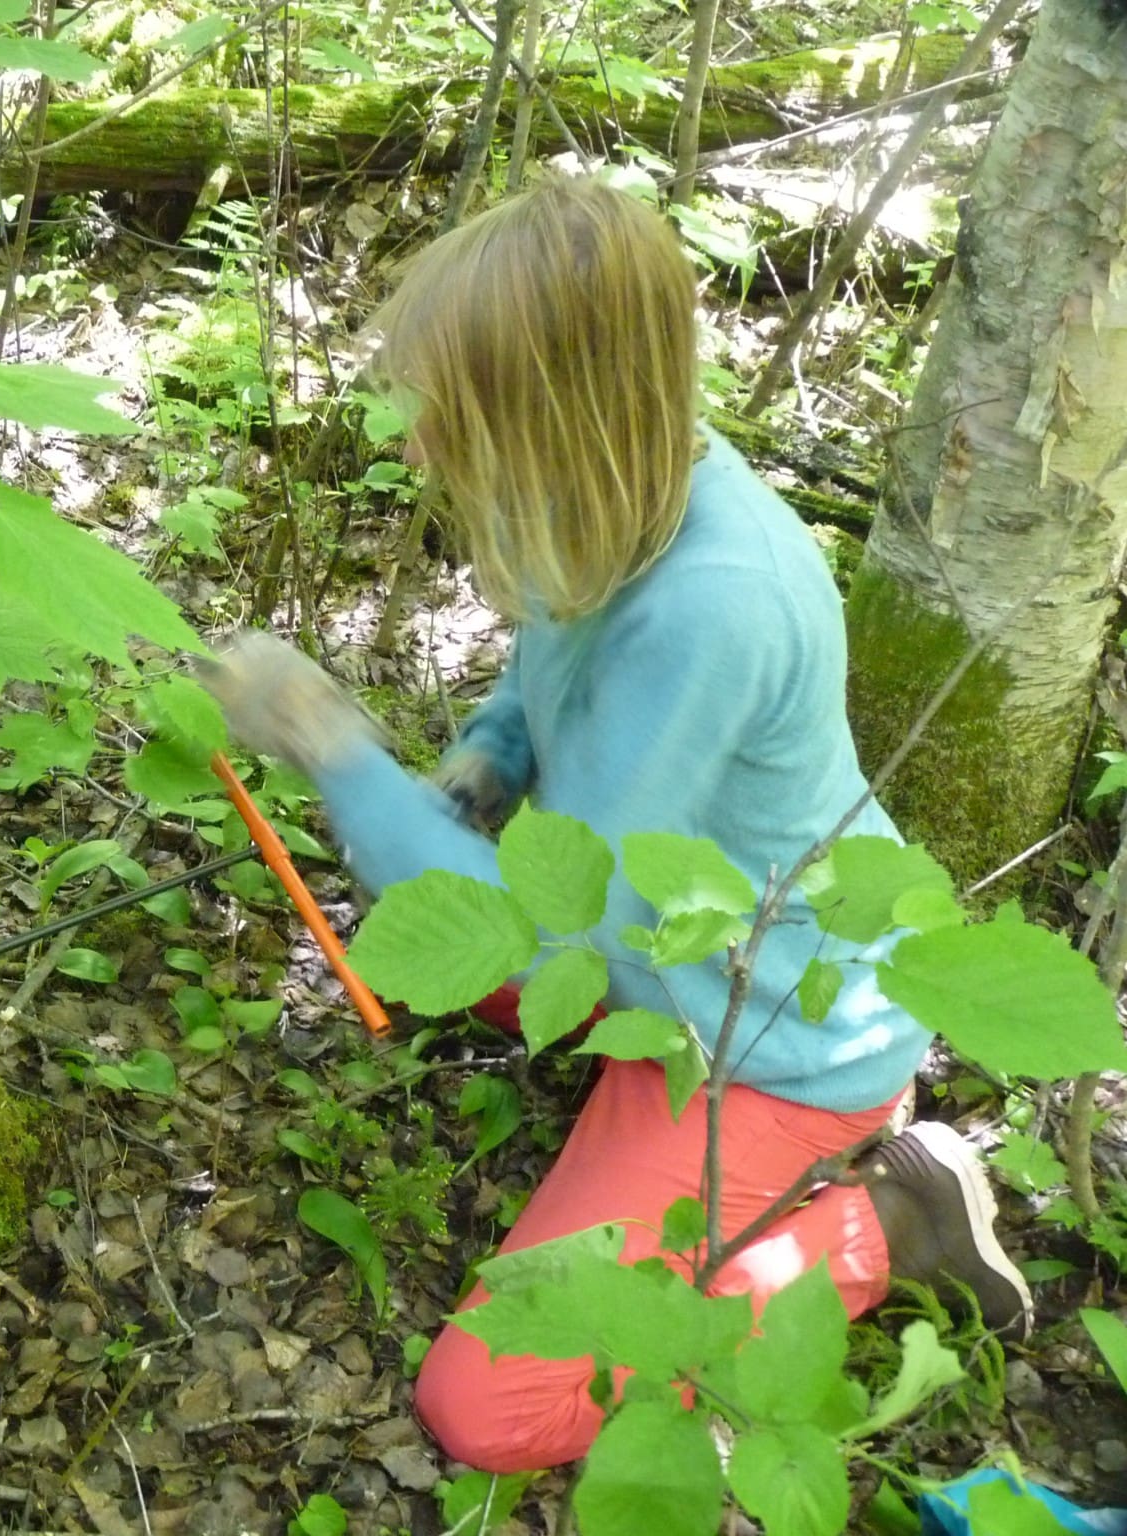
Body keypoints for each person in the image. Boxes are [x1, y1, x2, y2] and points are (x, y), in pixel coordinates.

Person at [194, 175, 1032, 1476]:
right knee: (419, 935)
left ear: (555, 412)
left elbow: (539, 926)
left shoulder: (715, 605)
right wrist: (476, 771)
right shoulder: (614, 497)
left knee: (492, 1408)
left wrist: (329, 743)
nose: (418, 448)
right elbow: (543, 678)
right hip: (670, 970)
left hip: (777, 1042)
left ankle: (891, 1221)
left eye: (450, 418)